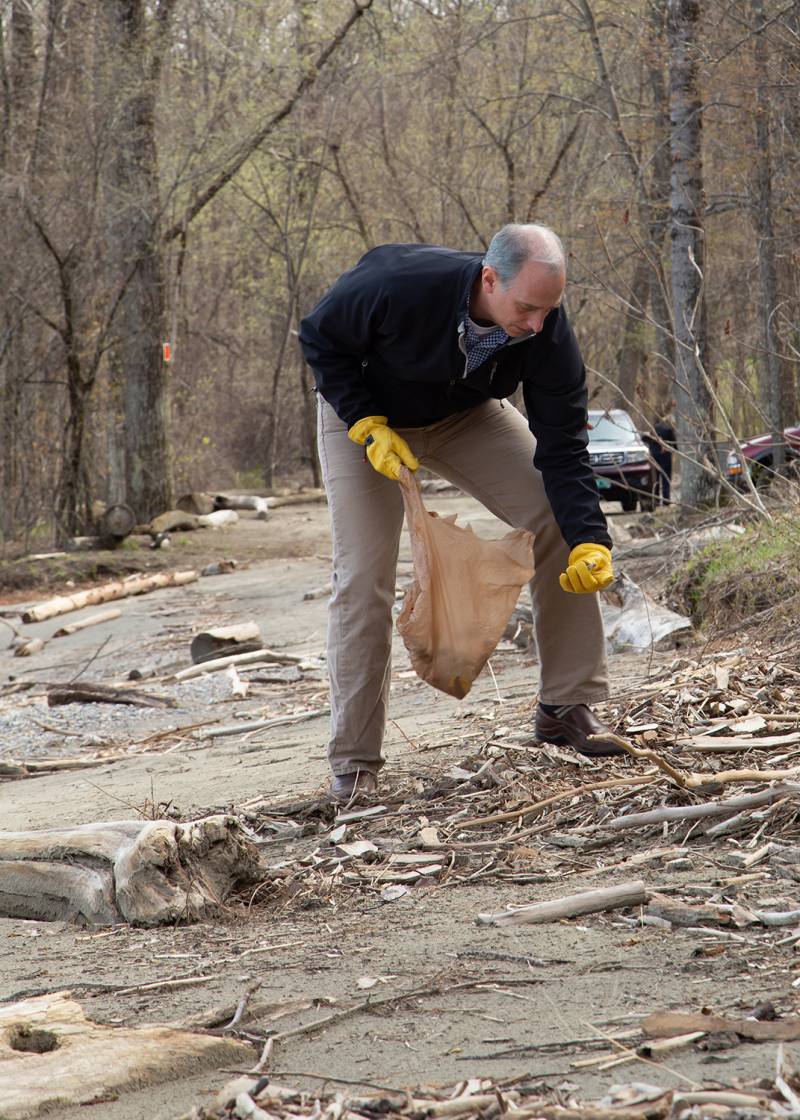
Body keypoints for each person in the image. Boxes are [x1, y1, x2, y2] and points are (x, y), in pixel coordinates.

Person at [299, 224, 625, 803]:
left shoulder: (544, 328)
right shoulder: (398, 284)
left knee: (559, 523)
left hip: (466, 417)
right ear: (489, 278)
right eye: (526, 307)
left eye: (549, 309)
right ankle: (354, 765)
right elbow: (322, 338)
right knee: (362, 578)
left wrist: (591, 538)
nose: (536, 324)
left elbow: (563, 446)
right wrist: (364, 421)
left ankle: (566, 706)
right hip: (368, 420)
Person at [646, 413, 677, 505]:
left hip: (654, 457)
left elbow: (647, 442)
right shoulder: (668, 430)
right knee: (666, 478)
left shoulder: (652, 431)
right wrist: (674, 450)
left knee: (656, 479)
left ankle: (656, 500)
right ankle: (666, 500)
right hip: (665, 457)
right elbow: (674, 443)